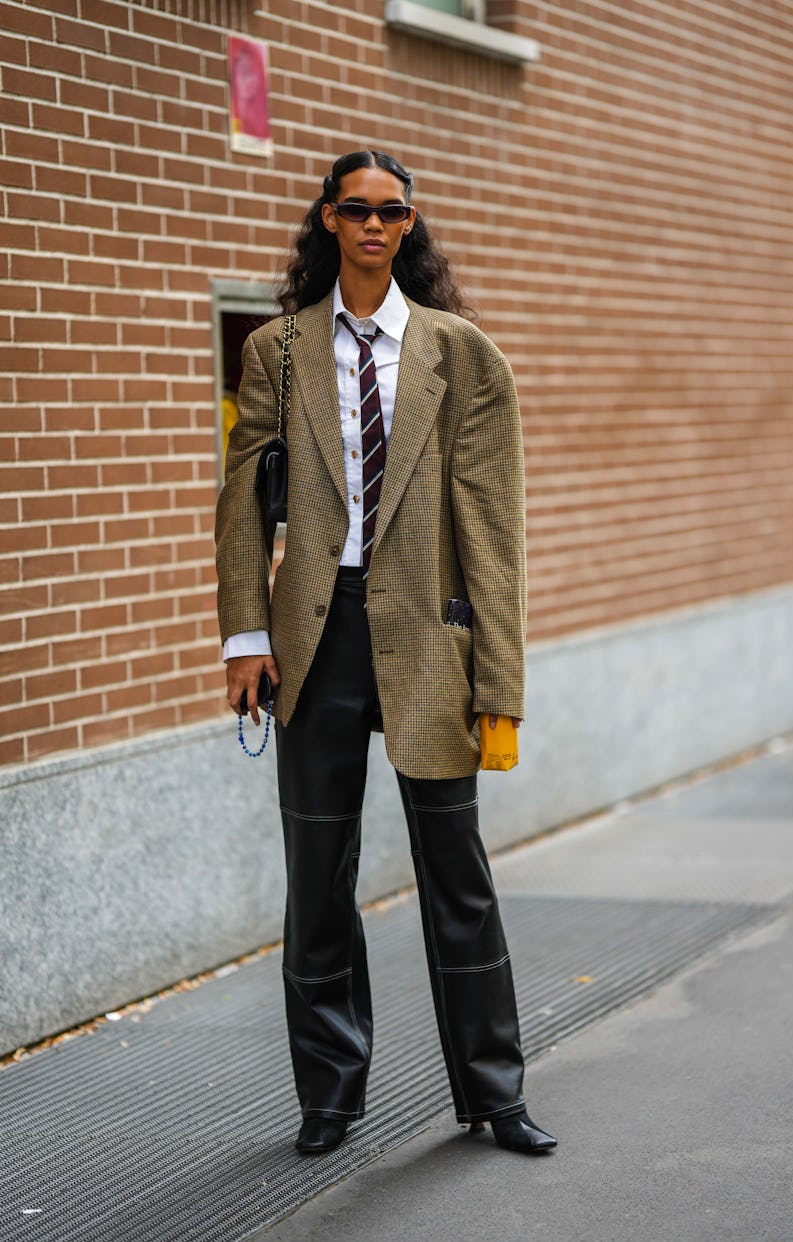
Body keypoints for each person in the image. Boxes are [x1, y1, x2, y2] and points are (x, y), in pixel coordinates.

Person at [215, 150, 557, 1157]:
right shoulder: (279, 352)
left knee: (459, 876)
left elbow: (494, 531)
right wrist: (245, 637)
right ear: (329, 220)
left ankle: (495, 1093)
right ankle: (329, 1098)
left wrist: (502, 681)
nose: (372, 225)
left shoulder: (464, 356)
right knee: (317, 878)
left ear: (409, 226)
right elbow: (243, 501)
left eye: (391, 211)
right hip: (313, 644)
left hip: (432, 642)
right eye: (355, 209)